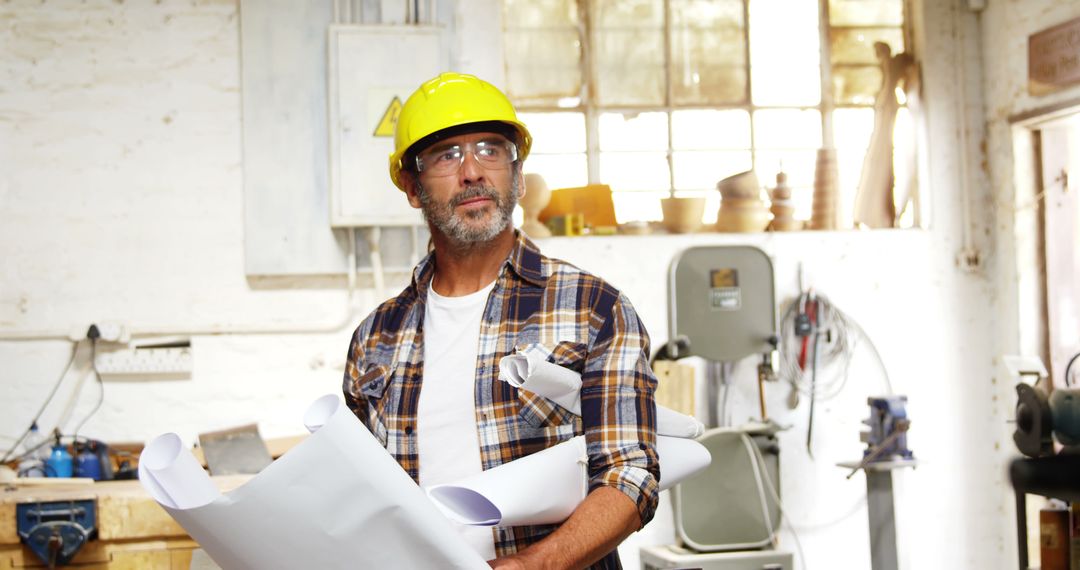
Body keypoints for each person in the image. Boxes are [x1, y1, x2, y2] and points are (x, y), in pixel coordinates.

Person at [342, 72, 659, 570]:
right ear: (411, 185)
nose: (472, 172)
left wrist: (535, 565)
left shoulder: (594, 308)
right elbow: (363, 498)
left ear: (517, 171)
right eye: (447, 155)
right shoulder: (375, 339)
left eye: (490, 149)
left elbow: (630, 475)